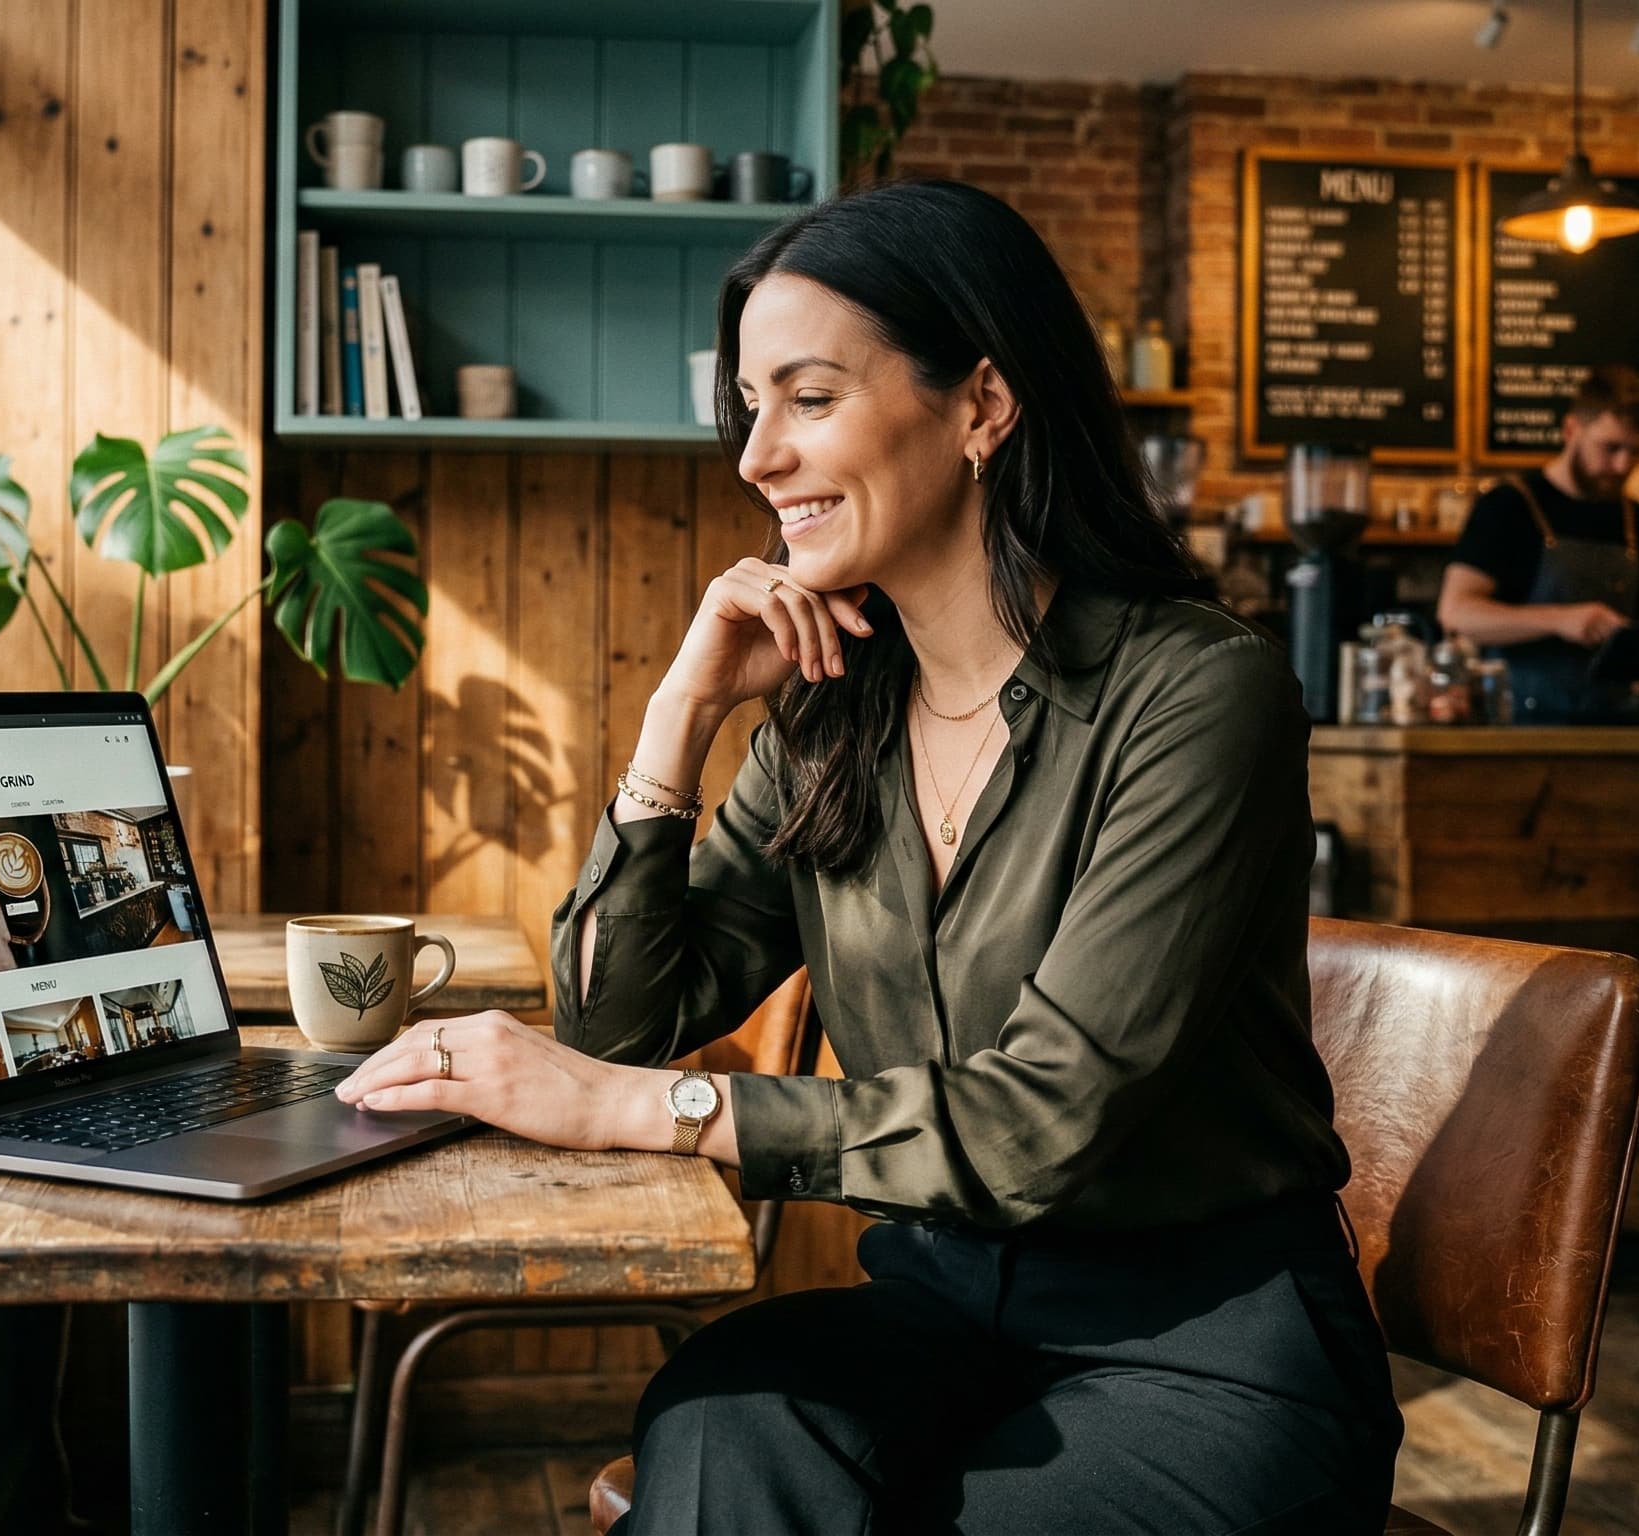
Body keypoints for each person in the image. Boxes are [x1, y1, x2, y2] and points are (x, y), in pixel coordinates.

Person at [331, 180, 1401, 1533]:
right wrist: (679, 721)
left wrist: (637, 1112)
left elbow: (1041, 1122)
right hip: (946, 1315)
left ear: (981, 408)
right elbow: (625, 1020)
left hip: (1206, 1352)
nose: (755, 459)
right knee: (721, 1423)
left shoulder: (1198, 693)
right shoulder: (834, 715)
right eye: (749, 409)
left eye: (809, 399)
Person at [1436, 369, 1639, 723]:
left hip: (1621, 731)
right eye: (1610, 448)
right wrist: (1562, 620)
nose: (1622, 465)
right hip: (1518, 727)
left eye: (1635, 452)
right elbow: (1456, 613)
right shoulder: (1508, 507)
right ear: (1570, 430)